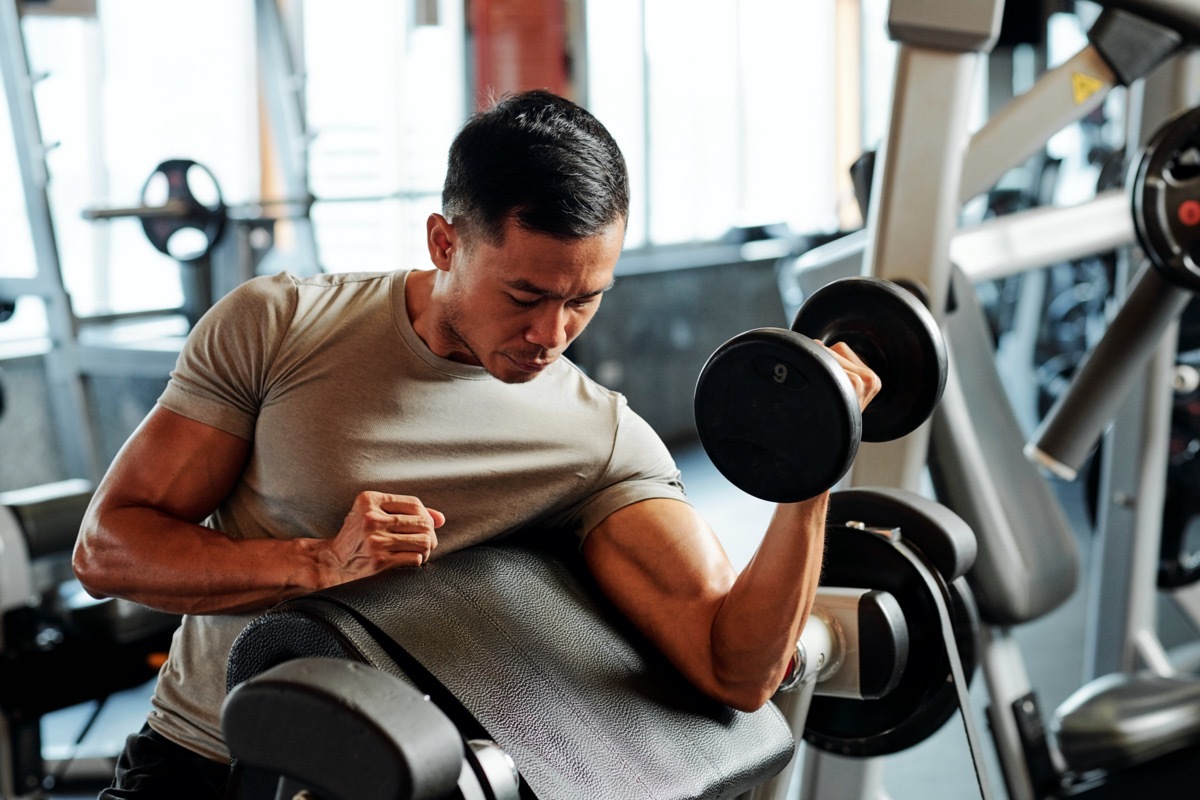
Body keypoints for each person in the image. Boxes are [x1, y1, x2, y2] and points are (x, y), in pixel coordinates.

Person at [72, 89, 879, 799]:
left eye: (584, 301)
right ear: (444, 242)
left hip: (411, 782)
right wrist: (320, 563)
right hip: (210, 758)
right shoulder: (280, 326)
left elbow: (733, 668)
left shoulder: (596, 438)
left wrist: (812, 466)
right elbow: (109, 550)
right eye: (525, 294)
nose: (549, 334)